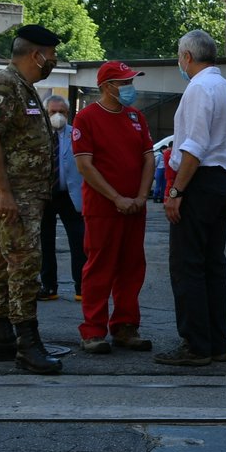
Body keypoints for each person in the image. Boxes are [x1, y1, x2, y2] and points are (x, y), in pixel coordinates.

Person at [0, 24, 66, 374]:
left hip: (27, 195)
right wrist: (4, 192)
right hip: (15, 196)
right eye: (51, 57)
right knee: (26, 265)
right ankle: (27, 345)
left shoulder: (24, 87)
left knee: (6, 263)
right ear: (37, 55)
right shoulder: (4, 85)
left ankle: (0, 338)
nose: (52, 62)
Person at [154, 29, 226, 368]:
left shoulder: (199, 88)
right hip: (220, 181)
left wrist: (176, 190)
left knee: (188, 266)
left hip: (200, 181)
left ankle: (195, 344)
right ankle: (216, 342)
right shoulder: (225, 87)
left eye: (180, 57)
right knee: (212, 266)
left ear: (187, 57)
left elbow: (193, 146)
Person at [71, 61, 156, 354]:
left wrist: (142, 196)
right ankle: (92, 331)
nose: (131, 87)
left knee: (132, 268)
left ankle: (125, 327)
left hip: (134, 208)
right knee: (99, 269)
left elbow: (148, 158)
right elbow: (85, 165)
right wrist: (116, 197)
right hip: (104, 209)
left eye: (131, 81)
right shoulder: (87, 117)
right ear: (107, 87)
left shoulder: (136, 117)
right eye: (125, 82)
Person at [39, 95, 87, 302]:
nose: (58, 116)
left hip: (71, 195)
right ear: (45, 113)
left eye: (62, 112)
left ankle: (82, 288)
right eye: (52, 112)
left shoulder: (77, 134)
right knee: (45, 242)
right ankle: (49, 287)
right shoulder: (37, 135)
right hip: (44, 195)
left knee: (79, 242)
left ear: (69, 113)